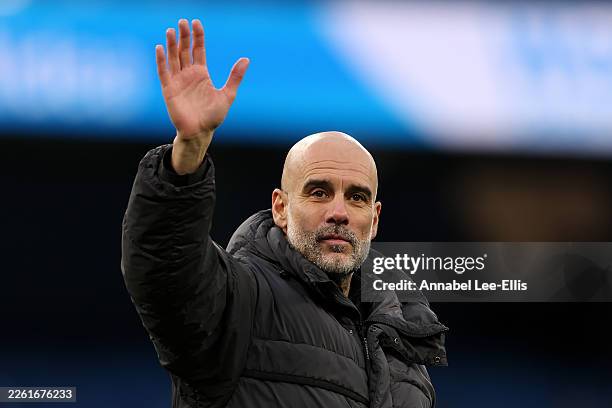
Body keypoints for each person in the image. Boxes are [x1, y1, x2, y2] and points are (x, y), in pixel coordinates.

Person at [121, 18, 448, 408]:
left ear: (374, 219)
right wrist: (189, 150)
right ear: (280, 207)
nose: (339, 212)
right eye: (319, 192)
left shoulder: (403, 332)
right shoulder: (238, 302)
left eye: (357, 197)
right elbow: (164, 266)